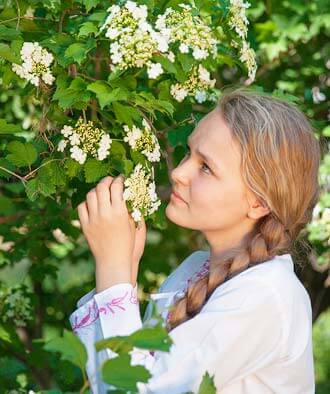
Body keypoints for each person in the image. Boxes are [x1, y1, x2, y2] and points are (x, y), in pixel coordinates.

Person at [68, 88, 320, 393]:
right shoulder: (195, 270)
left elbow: (133, 389)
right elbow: (115, 377)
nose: (178, 172)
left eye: (206, 168)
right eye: (189, 152)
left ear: (258, 203)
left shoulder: (266, 296)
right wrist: (127, 269)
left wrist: (114, 269)